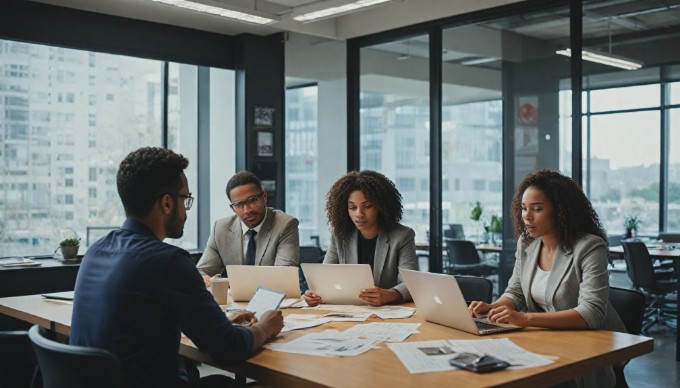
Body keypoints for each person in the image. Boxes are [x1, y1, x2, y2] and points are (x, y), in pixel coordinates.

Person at [70, 147, 283, 388]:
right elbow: (228, 349)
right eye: (186, 199)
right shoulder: (168, 261)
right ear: (167, 203)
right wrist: (266, 326)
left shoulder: (96, 251)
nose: (186, 210)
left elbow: (142, 322)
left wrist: (220, 324)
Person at [468, 169, 625, 388]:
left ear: (561, 211)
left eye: (537, 209)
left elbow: (590, 314)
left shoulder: (589, 247)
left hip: (586, 348)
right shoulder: (528, 243)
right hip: (542, 342)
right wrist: (493, 307)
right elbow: (516, 292)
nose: (527, 216)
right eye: (524, 208)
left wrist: (525, 319)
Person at [303, 170, 418, 307]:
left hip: (387, 314)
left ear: (381, 207)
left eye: (367, 206)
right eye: (352, 207)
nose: (359, 214)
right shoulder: (340, 236)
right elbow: (325, 278)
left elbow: (411, 283)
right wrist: (314, 294)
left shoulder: (403, 236)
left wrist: (389, 295)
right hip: (349, 312)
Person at [196, 171, 299, 287]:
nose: (247, 210)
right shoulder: (220, 229)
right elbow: (202, 271)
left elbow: (283, 275)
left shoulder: (285, 225)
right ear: (232, 207)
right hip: (234, 303)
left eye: (252, 200)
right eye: (238, 205)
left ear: (264, 197)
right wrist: (204, 278)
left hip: (273, 301)